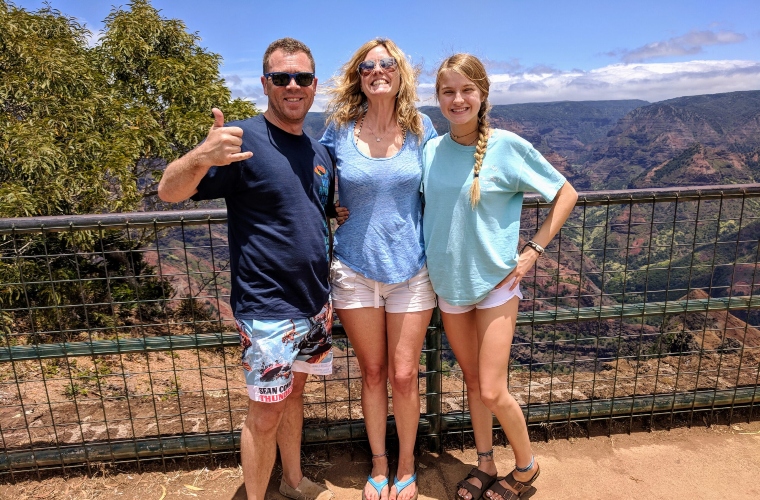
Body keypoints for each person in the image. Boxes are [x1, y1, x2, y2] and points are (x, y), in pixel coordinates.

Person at [157, 38, 335, 500]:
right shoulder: (240, 140)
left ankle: (294, 483)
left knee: (294, 398)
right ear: (265, 84)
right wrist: (200, 156)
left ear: (315, 85)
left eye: (302, 78)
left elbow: (314, 211)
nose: (292, 86)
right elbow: (168, 192)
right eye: (281, 78)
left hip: (315, 304)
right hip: (268, 308)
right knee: (264, 414)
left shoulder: (318, 151)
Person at [421, 54, 578, 500]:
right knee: (472, 383)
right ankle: (485, 461)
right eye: (448, 91)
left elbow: (566, 192)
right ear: (438, 97)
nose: (458, 99)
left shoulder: (507, 146)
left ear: (482, 94)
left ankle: (526, 467)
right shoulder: (431, 150)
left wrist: (533, 252)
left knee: (492, 387)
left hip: (496, 285)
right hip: (449, 285)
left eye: (467, 90)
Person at [320, 38, 437, 500]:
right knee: (372, 372)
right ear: (359, 77)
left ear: (400, 72)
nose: (377, 70)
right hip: (354, 268)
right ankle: (379, 464)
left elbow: (443, 186)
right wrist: (330, 209)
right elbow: (316, 182)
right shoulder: (338, 130)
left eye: (387, 63)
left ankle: (407, 464)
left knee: (404, 375)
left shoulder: (421, 127)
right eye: (368, 66)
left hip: (412, 268)